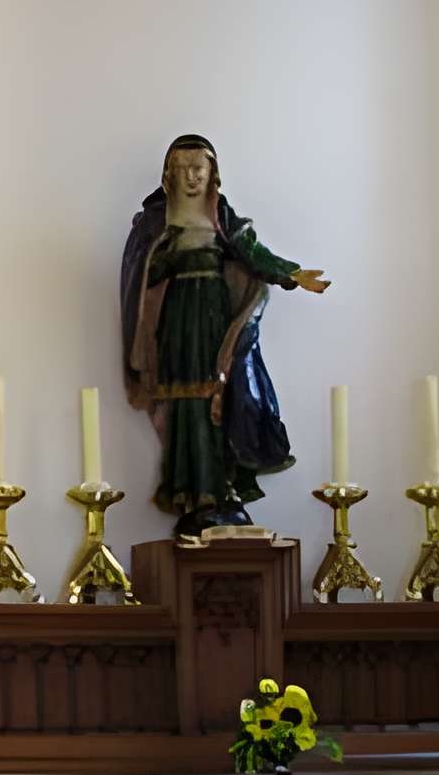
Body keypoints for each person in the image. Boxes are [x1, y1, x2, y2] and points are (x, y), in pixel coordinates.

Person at [117, 134, 330, 535]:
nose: (191, 177)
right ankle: (196, 494)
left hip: (214, 317)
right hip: (178, 320)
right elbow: (141, 275)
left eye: (198, 168)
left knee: (222, 397)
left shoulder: (223, 218)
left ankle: (223, 489)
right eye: (182, 170)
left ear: (212, 173)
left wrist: (292, 274)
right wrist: (165, 258)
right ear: (169, 177)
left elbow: (253, 253)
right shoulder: (154, 223)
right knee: (186, 402)